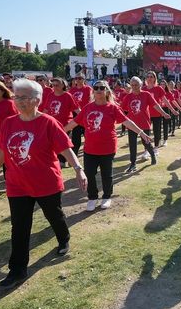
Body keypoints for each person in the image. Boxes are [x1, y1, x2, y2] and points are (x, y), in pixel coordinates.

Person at [0, 79, 88, 290]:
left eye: (24, 97)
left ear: (37, 100)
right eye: (17, 96)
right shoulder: (9, 123)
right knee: (19, 227)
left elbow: (65, 148)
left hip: (46, 182)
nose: (19, 101)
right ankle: (17, 270)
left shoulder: (48, 122)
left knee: (54, 215)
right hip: (17, 184)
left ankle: (63, 237)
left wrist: (78, 169)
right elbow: (1, 151)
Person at [64, 80, 152, 211]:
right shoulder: (88, 108)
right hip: (90, 148)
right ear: (93, 91)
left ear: (106, 91)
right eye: (96, 87)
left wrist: (141, 133)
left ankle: (106, 197)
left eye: (102, 88)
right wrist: (59, 132)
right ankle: (92, 197)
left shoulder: (112, 108)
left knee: (106, 174)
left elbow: (127, 121)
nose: (99, 90)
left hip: (107, 148)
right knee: (89, 173)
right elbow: (74, 123)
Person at [120, 76, 170, 173]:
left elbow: (155, 105)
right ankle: (133, 164)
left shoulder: (146, 94)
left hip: (144, 123)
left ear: (141, 85)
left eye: (136, 85)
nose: (134, 87)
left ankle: (152, 154)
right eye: (132, 85)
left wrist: (164, 113)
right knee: (132, 144)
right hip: (132, 124)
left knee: (145, 142)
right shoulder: (128, 97)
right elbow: (122, 109)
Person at [40, 78, 80, 167]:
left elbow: (76, 109)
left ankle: (63, 161)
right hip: (52, 124)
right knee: (52, 143)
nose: (55, 87)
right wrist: (40, 119)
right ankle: (58, 159)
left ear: (63, 85)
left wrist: (82, 117)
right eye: (53, 85)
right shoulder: (50, 95)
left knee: (62, 143)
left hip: (65, 124)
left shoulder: (67, 96)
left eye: (57, 85)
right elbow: (46, 109)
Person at [143, 71, 178, 149]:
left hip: (157, 114)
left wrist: (172, 110)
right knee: (146, 132)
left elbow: (165, 100)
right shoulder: (143, 89)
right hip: (146, 114)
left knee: (157, 132)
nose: (149, 78)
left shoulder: (158, 88)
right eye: (148, 77)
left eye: (151, 77)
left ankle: (156, 148)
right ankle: (147, 150)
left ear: (155, 78)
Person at [68, 72, 93, 156]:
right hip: (76, 115)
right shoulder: (72, 90)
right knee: (76, 136)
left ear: (84, 79)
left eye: (80, 78)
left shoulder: (88, 89)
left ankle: (91, 151)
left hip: (86, 114)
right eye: (76, 78)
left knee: (88, 134)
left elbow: (91, 101)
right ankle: (74, 154)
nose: (78, 80)